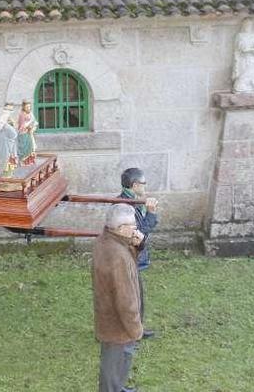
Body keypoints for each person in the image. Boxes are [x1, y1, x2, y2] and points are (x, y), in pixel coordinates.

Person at [92, 204, 146, 392]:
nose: (136, 230)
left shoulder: (107, 240)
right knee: (114, 362)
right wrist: (136, 328)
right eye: (133, 226)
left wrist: (139, 245)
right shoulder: (117, 255)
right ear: (121, 228)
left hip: (110, 316)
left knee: (119, 360)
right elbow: (126, 300)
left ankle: (118, 387)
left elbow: (129, 260)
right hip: (118, 322)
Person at [118, 168, 157, 339]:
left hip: (132, 257)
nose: (145, 186)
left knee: (135, 296)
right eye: (143, 183)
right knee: (132, 297)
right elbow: (138, 234)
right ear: (134, 185)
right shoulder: (124, 205)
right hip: (128, 258)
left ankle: (134, 329)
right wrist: (151, 213)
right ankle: (131, 332)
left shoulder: (133, 201)